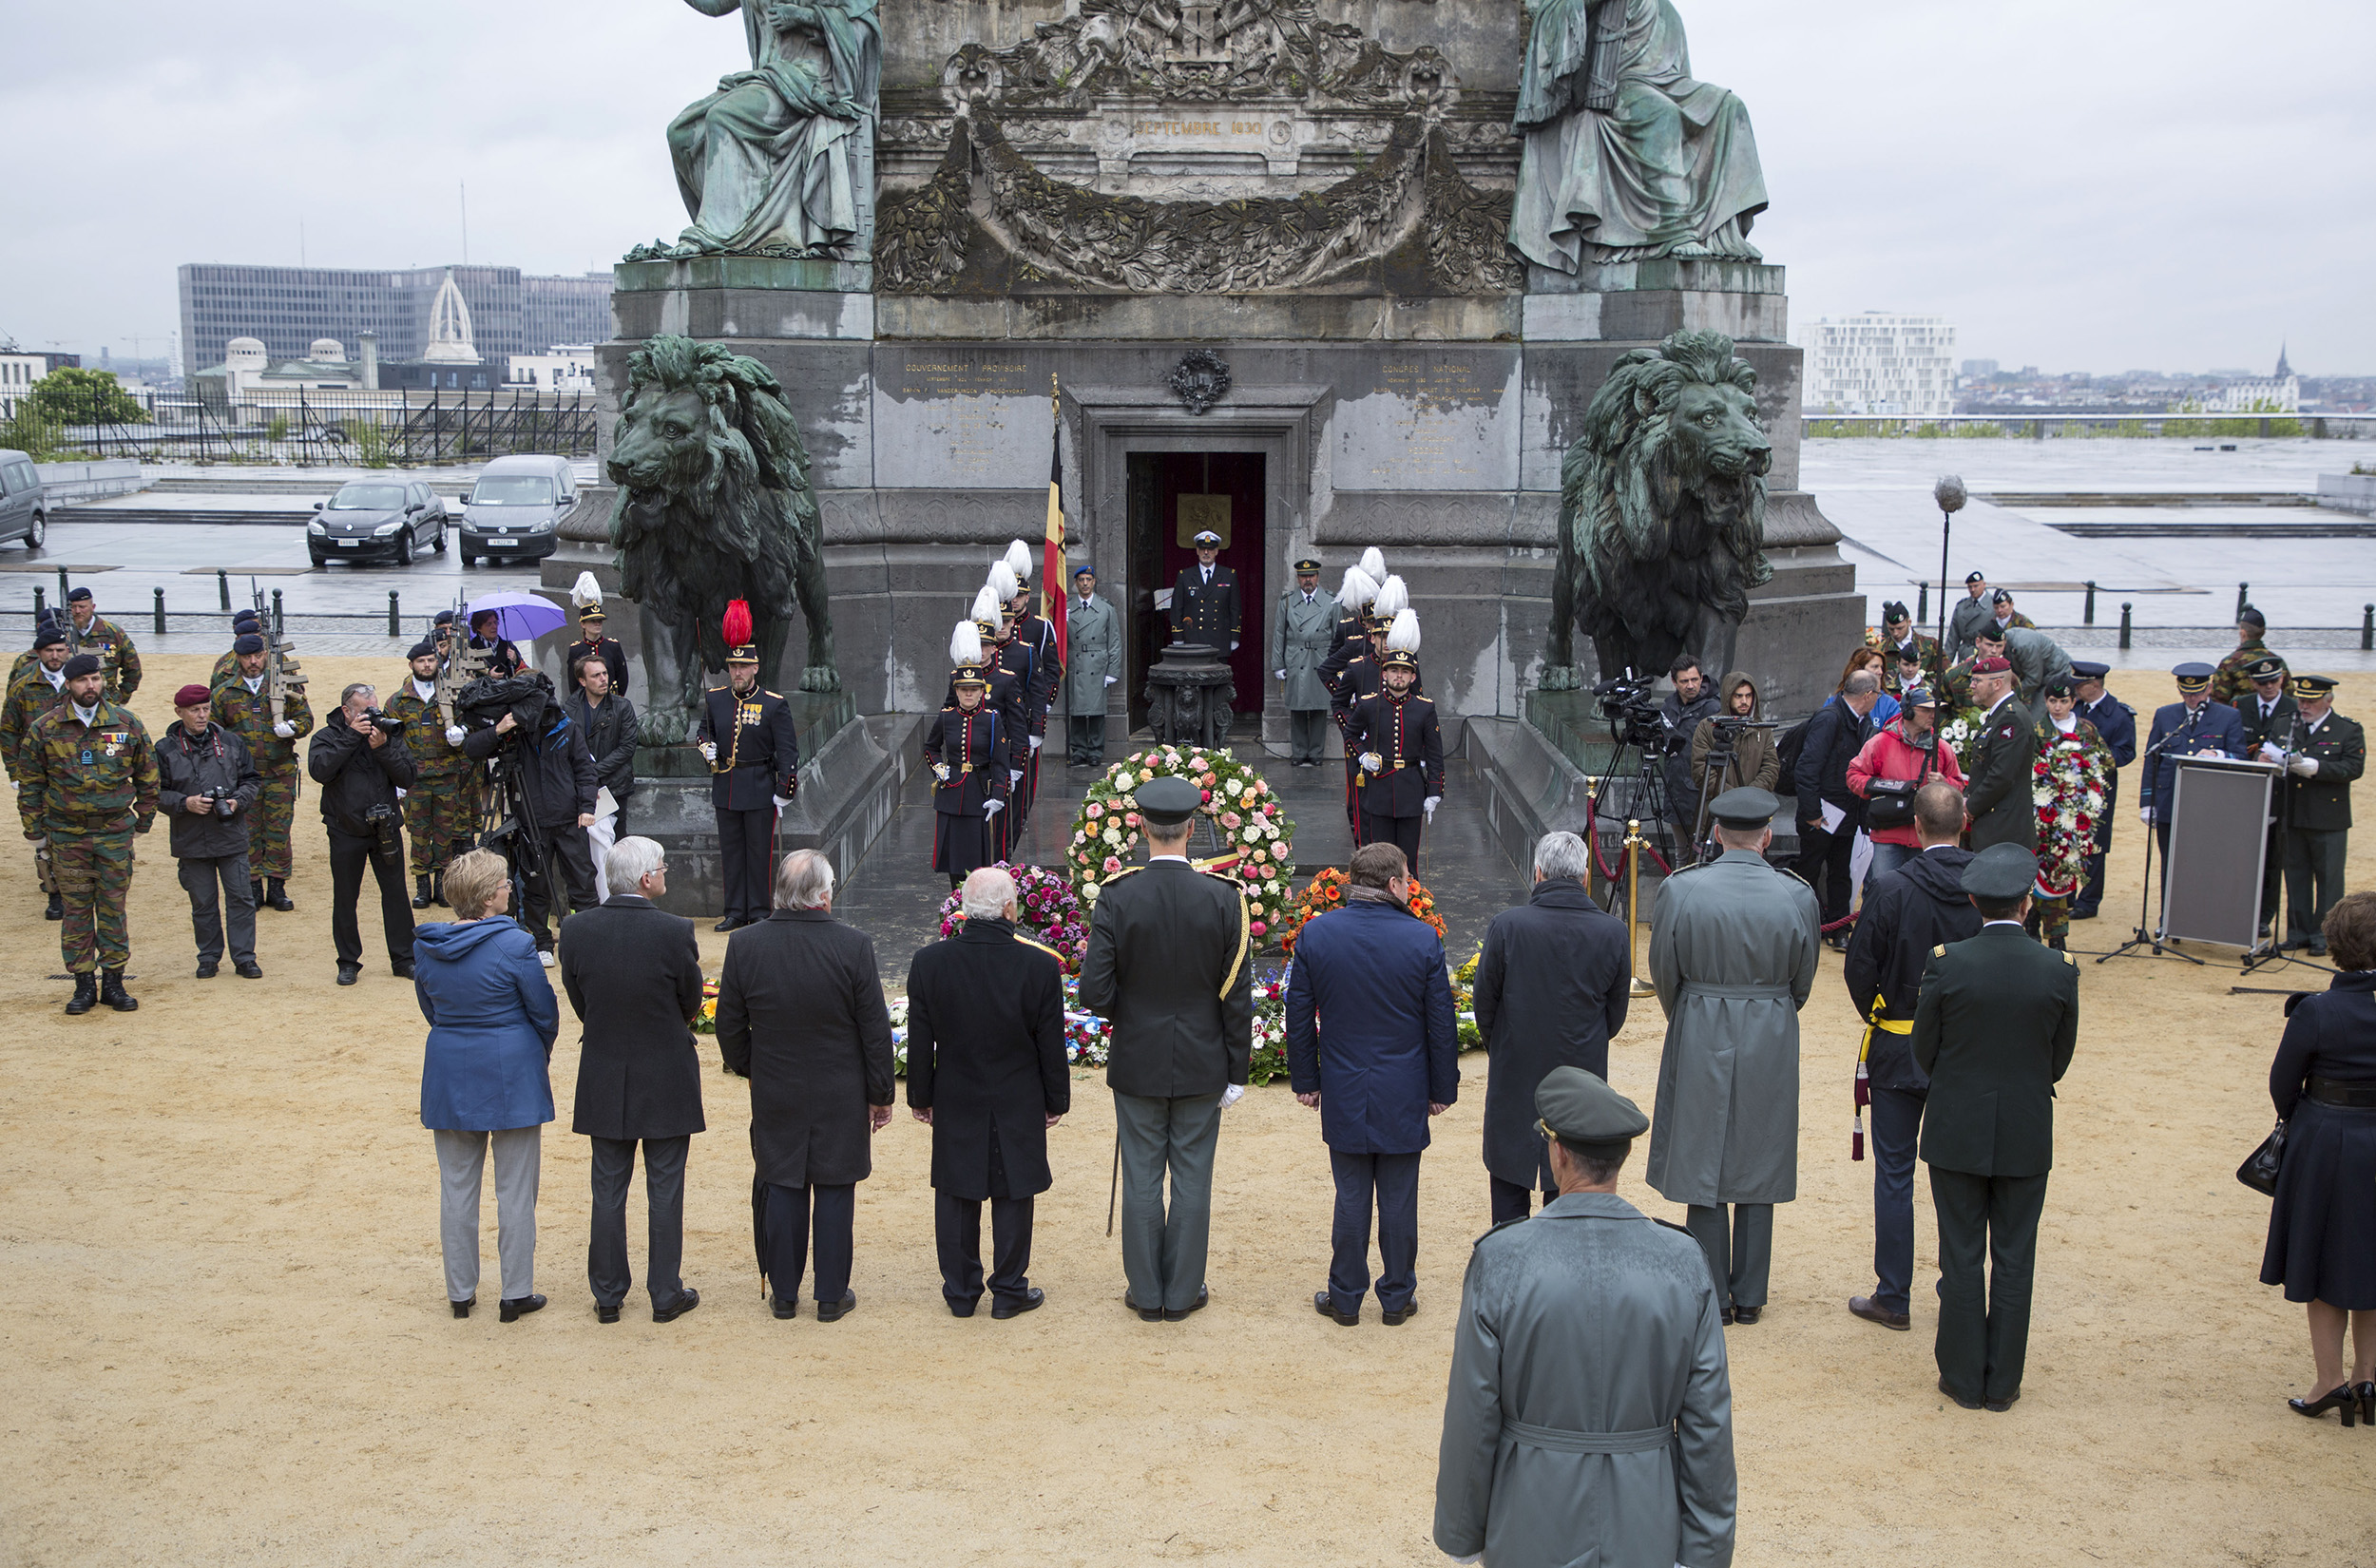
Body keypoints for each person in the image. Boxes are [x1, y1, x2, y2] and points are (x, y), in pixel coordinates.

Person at [1433, 1066, 1735, 1568]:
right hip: (1647, 1519)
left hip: (1530, 1516)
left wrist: (1462, 1532)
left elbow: (1473, 1412)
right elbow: (1708, 1422)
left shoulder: (1503, 1259)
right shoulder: (1681, 1260)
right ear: (1622, 1159)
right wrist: (1706, 1548)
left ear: (1558, 1152)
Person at [1078, 774, 1255, 1323]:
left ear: (1142, 830)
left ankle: (1146, 1292)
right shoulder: (1224, 899)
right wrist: (1238, 1071)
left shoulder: (1117, 896)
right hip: (1205, 1062)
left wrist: (1134, 1018)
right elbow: (1236, 997)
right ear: (1193, 828)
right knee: (1194, 1178)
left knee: (1142, 1179)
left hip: (1139, 1060)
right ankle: (1182, 1294)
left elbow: (1094, 992)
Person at [1915, 842, 2079, 1411]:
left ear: (1973, 900)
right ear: (2027, 903)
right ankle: (2002, 1383)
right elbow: (2059, 1058)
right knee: (2014, 1257)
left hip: (1957, 1125)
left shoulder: (1947, 961)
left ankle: (1962, 1379)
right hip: (2026, 1127)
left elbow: (1925, 1050)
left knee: (1960, 1256)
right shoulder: (2057, 969)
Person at [1647, 786, 1820, 1326]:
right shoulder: (1798, 896)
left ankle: (1710, 1290)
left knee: (1702, 1152)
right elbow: (1803, 978)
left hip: (1701, 1017)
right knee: (1758, 1152)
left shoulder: (1681, 890)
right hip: (1769, 1024)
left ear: (1717, 834)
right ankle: (1749, 1293)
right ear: (1767, 836)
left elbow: (1664, 973)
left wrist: (1693, 1012)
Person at [716, 849, 895, 1323]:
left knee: (783, 1184)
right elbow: (874, 1030)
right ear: (822, 895)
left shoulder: (746, 944)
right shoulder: (853, 945)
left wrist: (751, 1068)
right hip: (840, 1088)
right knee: (835, 1188)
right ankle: (831, 1294)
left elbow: (729, 1028)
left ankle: (785, 1294)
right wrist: (880, 1094)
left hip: (776, 1085)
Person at [1287, 842, 1459, 1327]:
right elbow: (1440, 1023)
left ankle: (1345, 1297)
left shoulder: (1318, 934)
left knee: (1351, 1194)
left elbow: (1298, 1013)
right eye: (1407, 878)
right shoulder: (1422, 940)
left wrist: (1306, 1079)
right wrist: (1443, 1088)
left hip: (1343, 1083)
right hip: (1404, 1086)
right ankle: (1397, 1295)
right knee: (1400, 1197)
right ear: (1392, 885)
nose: (1411, 886)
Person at [1841, 782, 1979, 1333]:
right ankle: (1958, 1291)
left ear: (1916, 827)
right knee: (1956, 1178)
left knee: (1895, 1173)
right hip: (1962, 1054)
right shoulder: (1982, 886)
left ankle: (1893, 1295)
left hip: (1899, 1048)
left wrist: (1881, 1013)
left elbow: (1859, 966)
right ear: (1964, 821)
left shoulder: (1893, 886)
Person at [905, 866, 1071, 1319]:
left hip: (956, 1090)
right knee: (1014, 1190)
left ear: (964, 911)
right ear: (1008, 909)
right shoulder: (1038, 966)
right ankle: (1009, 1289)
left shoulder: (930, 963)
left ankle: (960, 1292)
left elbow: (921, 1040)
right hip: (1018, 1092)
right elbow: (1050, 1043)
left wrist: (920, 1094)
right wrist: (1057, 1100)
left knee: (958, 1190)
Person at [558, 836, 705, 1325]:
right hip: (665, 1073)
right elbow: (689, 1001)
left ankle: (608, 1294)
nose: (667, 873)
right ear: (647, 879)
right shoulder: (675, 932)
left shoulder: (577, 931)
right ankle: (665, 1293)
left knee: (608, 1188)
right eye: (663, 867)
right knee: (665, 1189)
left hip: (605, 1071)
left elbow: (581, 1000)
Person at [414, 848, 558, 1324]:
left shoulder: (426, 945)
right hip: (511, 1070)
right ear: (487, 897)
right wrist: (534, 1052)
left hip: (450, 1068)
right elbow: (543, 1012)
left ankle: (460, 1291)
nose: (510, 888)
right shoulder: (515, 944)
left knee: (456, 1188)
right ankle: (515, 1291)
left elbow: (432, 1009)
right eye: (503, 883)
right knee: (515, 1190)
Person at [2259, 891, 2376, 1425]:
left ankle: (2330, 1380)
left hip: (2326, 1142)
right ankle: (2368, 1376)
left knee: (2326, 1259)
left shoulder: (2317, 1010)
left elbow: (2283, 1086)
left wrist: (2310, 1119)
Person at [1472, 830, 1630, 1223]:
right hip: (1581, 1066)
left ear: (1538, 872)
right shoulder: (1612, 931)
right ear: (1584, 875)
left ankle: (1508, 1277)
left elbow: (1484, 1002)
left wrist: (1506, 1045)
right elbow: (1615, 1012)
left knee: (1509, 1187)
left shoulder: (1507, 926)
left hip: (1516, 1066)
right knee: (1572, 1185)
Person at [17, 653, 156, 1014]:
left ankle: (113, 982)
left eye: (95, 679)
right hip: (67, 836)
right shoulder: (45, 728)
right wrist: (35, 834)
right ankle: (82, 986)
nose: (90, 686)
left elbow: (148, 776)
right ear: (69, 684)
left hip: (114, 834)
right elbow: (31, 784)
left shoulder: (126, 723)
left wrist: (142, 821)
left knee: (113, 908)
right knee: (77, 910)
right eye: (82, 681)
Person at [462, 675, 599, 965]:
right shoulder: (515, 734)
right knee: (535, 886)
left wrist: (587, 807)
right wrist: (500, 729)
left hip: (570, 820)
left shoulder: (566, 727)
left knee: (583, 882)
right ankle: (541, 941)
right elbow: (472, 749)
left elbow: (586, 770)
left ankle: (586, 939)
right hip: (530, 823)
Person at [309, 681, 421, 985]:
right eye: (364, 711)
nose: (371, 716)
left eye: (375, 709)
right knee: (346, 898)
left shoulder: (385, 735)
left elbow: (408, 776)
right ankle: (348, 962)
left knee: (396, 895)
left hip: (384, 828)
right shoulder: (327, 737)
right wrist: (350, 738)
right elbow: (320, 771)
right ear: (347, 712)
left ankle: (404, 959)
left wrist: (382, 748)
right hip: (345, 830)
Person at [696, 625, 800, 932]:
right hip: (726, 785)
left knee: (758, 852)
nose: (737, 672)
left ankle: (758, 910)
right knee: (731, 852)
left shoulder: (773, 703)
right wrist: (707, 748)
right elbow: (703, 732)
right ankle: (734, 911)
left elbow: (788, 750)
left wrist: (785, 789)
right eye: (732, 666)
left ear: (755, 667)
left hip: (759, 786)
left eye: (743, 666)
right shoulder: (716, 700)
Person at [157, 682, 263, 981]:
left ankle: (244, 958)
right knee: (202, 902)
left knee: (241, 898)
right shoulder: (165, 749)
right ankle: (208, 957)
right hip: (190, 838)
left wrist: (237, 801)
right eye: (195, 710)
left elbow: (252, 780)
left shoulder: (230, 742)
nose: (202, 715)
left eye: (205, 709)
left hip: (231, 835)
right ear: (179, 712)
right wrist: (184, 802)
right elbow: (154, 793)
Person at [212, 631, 314, 913]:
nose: (254, 662)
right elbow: (214, 733)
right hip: (244, 776)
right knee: (248, 831)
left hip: (279, 770)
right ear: (238, 659)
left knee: (279, 830)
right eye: (247, 657)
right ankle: (254, 886)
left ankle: (278, 887)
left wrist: (293, 727)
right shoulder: (224, 692)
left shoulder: (284, 685)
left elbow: (307, 719)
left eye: (258, 656)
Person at [1345, 611, 1444, 862]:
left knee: (1408, 860)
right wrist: (1363, 754)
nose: (1399, 676)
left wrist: (1435, 791)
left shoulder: (1424, 708)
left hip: (1410, 790)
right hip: (1378, 790)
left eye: (1404, 672)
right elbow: (1351, 732)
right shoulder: (1369, 705)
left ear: (1412, 677)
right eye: (1393, 671)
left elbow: (1434, 753)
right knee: (1381, 860)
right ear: (1385, 675)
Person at [1793, 668, 1880, 947]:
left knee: (1841, 874)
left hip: (1847, 813)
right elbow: (1806, 768)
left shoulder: (1861, 721)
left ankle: (1839, 929)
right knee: (1808, 871)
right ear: (1868, 695)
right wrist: (1812, 813)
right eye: (1877, 693)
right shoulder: (1830, 718)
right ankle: (1798, 925)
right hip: (1821, 814)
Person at [386, 640, 474, 910]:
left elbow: (470, 725)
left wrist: (462, 734)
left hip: (448, 775)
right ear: (411, 665)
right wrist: (396, 779)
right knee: (419, 832)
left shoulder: (452, 695)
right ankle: (422, 885)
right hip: (415, 777)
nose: (427, 665)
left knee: (446, 832)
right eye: (421, 661)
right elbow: (391, 743)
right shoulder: (398, 701)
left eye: (431, 660)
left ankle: (442, 884)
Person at [2028, 677, 2115, 951]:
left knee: (2064, 872)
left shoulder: (2086, 729)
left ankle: (2056, 933)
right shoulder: (2037, 729)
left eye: (2063, 701)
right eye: (2053, 701)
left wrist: (2086, 775)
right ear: (2046, 701)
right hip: (2044, 814)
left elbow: (2107, 762)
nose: (2057, 707)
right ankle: (2034, 924)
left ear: (2073, 702)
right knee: (2038, 871)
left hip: (2076, 816)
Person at [1849, 684, 1964, 885]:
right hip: (1887, 834)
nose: (1932, 716)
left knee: (1922, 890)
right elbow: (1853, 775)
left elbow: (1959, 784)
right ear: (1908, 711)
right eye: (1926, 710)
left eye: (1934, 711)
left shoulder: (1942, 748)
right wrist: (1880, 787)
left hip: (1925, 836)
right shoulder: (1880, 743)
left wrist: (1944, 784)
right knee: (1884, 890)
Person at [2278, 676, 2361, 956]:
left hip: (2328, 817)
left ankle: (2323, 936)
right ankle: (2297, 933)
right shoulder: (2285, 724)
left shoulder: (2346, 729)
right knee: (2296, 876)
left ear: (2329, 700)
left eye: (2311, 702)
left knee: (2328, 881)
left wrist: (2316, 767)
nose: (2304, 706)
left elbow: (2353, 767)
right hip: (2292, 813)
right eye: (2301, 700)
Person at [925, 628, 1010, 889]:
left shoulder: (992, 720)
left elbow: (1000, 761)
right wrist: (938, 768)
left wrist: (998, 795)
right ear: (957, 691)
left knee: (976, 861)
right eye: (964, 690)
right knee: (953, 861)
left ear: (981, 691)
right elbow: (931, 747)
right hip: (951, 794)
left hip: (978, 794)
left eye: (974, 690)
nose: (969, 695)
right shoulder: (947, 717)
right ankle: (955, 906)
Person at [2139, 661, 2246, 870]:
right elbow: (2153, 759)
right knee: (2170, 865)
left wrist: (2218, 754)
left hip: (2209, 804)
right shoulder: (2165, 715)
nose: (2192, 698)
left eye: (2197, 693)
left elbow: (2240, 756)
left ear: (2209, 688)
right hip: (2170, 802)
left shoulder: (2228, 716)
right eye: (2186, 693)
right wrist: (2147, 802)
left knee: (2205, 864)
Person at [3, 621, 73, 919]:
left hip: (74, 769)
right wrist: (15, 773)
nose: (55, 655)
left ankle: (79, 886)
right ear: (38, 652)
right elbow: (8, 731)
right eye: (49, 651)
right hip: (37, 772)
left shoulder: (81, 680)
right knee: (44, 835)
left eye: (60, 650)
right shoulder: (23, 685)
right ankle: (55, 893)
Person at [565, 650, 639, 897]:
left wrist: (593, 772)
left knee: (616, 847)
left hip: (615, 788)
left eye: (605, 674)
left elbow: (627, 748)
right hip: (581, 792)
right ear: (582, 681)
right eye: (596, 675)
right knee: (584, 850)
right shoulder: (569, 707)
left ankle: (619, 899)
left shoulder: (622, 707)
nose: (603, 679)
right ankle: (590, 901)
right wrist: (584, 777)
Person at [2069, 661, 2136, 920]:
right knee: (2069, 837)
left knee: (2096, 843)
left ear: (2094, 685)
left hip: (2100, 787)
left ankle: (2089, 900)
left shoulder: (2119, 715)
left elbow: (2127, 752)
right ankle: (2067, 893)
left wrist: (2094, 759)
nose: (2075, 690)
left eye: (2080, 685)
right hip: (2072, 785)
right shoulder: (2076, 708)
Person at [1686, 670, 1779, 842]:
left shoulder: (1762, 729)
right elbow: (1701, 772)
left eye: (1748, 696)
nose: (1744, 701)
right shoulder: (1707, 728)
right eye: (1738, 696)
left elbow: (1771, 768)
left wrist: (1748, 796)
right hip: (1716, 815)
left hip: (1754, 814)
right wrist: (1735, 798)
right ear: (1728, 697)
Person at [1964, 656, 2040, 854]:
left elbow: (2001, 775)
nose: (1972, 686)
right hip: (1995, 825)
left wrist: (1970, 807)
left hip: (2004, 829)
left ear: (1997, 683)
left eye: (1977, 681)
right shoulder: (2000, 715)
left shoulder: (2010, 719)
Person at [1272, 556, 1337, 767]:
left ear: (1318, 577)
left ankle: (1316, 753)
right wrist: (1278, 664)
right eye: (1303, 576)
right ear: (1298, 579)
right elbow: (1279, 634)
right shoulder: (1288, 601)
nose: (1307, 580)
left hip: (1321, 658)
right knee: (1297, 707)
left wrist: (1338, 666)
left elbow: (1339, 637)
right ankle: (1299, 752)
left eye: (1311, 576)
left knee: (1319, 707)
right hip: (1296, 657)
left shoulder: (1331, 601)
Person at [1658, 656, 1719, 850]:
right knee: (1682, 852)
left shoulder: (1714, 708)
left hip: (1702, 795)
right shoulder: (1669, 706)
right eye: (1684, 681)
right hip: (1675, 791)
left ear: (1702, 678)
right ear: (1674, 682)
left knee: (1703, 853)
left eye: (1695, 679)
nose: (1691, 685)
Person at [1063, 564, 1121, 766]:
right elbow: (1060, 638)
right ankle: (1078, 749)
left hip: (1098, 663)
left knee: (1096, 711)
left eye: (1089, 580)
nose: (1085, 584)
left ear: (1094, 581)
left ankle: (1095, 750)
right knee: (1077, 711)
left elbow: (1114, 641)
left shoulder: (1106, 608)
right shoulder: (1067, 608)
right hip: (1076, 662)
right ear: (1076, 583)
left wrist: (1113, 670)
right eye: (1081, 580)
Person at [63, 585, 141, 701]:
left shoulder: (113, 633)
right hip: (70, 700)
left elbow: (133, 670)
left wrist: (121, 698)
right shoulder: (64, 634)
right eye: (73, 607)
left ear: (93, 607)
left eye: (82, 607)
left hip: (106, 700)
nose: (77, 611)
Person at [1169, 528, 1241, 652]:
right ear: (1197, 551)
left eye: (1210, 549)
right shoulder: (1185, 576)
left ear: (1217, 551)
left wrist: (1235, 636)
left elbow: (1235, 608)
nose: (1206, 552)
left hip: (1220, 640)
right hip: (1192, 640)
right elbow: (1177, 608)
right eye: (1202, 549)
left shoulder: (1229, 575)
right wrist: (1178, 635)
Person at [2213, 604, 2283, 706]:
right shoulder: (2276, 661)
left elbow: (2218, 702)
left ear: (2243, 633)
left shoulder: (2230, 663)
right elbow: (2288, 695)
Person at [1874, 601, 1943, 693]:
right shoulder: (1881, 650)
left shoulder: (1930, 645)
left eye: (1900, 628)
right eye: (1891, 629)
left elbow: (1944, 673)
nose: (1896, 633)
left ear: (1909, 622)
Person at [567, 603, 629, 697]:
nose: (597, 624)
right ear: (583, 624)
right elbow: (573, 682)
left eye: (600, 621)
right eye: (593, 621)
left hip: (610, 700)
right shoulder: (576, 649)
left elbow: (622, 677)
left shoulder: (613, 646)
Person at [1947, 570, 1994, 662]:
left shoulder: (1993, 605)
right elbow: (1953, 637)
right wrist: (1945, 662)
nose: (1973, 590)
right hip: (1965, 654)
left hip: (1985, 653)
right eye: (1970, 587)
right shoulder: (1961, 606)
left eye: (1976, 586)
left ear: (1984, 585)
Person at [467, 608, 524, 680]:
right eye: (489, 624)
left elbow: (524, 670)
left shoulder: (507, 645)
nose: (494, 627)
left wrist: (516, 660)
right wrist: (488, 674)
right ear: (478, 627)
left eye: (495, 622)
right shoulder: (472, 647)